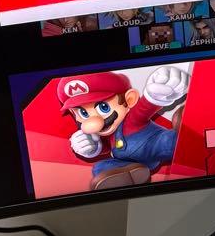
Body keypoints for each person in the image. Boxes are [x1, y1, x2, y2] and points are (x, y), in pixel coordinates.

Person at [60, 66, 188, 191]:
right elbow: (106, 147)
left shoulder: (131, 119)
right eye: (84, 113)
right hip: (131, 163)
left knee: (170, 142)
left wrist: (155, 97)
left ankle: (186, 127)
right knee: (99, 168)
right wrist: (92, 147)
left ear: (129, 99)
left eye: (104, 107)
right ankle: (129, 176)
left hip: (155, 145)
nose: (93, 122)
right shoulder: (105, 135)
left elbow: (143, 109)